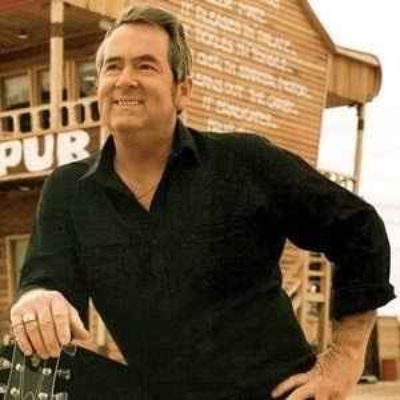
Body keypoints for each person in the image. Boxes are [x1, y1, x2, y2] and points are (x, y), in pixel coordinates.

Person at [10, 5, 395, 400]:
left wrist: (344, 360)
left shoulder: (244, 161)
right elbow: (45, 278)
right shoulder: (69, 190)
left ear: (183, 91)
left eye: (145, 66)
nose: (125, 80)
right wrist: (37, 298)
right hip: (158, 395)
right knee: (20, 372)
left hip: (274, 393)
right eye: (112, 67)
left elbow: (358, 227)